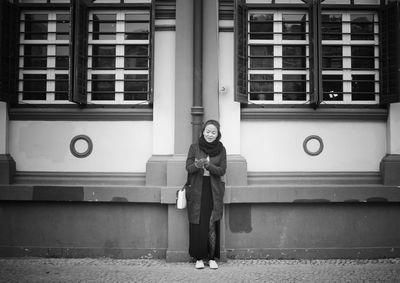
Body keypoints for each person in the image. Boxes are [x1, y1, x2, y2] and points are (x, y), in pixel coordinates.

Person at [185, 119, 227, 269]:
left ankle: (212, 257)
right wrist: (197, 165)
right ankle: (198, 258)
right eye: (208, 131)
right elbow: (188, 168)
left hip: (213, 190)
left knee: (211, 223)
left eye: (213, 132)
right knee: (198, 224)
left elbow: (222, 170)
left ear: (218, 134)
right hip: (197, 189)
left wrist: (208, 165)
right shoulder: (194, 147)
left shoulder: (221, 150)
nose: (210, 134)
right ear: (203, 132)